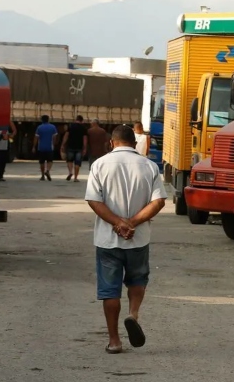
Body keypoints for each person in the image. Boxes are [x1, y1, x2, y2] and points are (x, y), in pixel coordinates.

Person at [85, 125, 167, 354]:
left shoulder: (99, 164)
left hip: (108, 240)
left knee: (110, 291)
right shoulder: (149, 166)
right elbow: (159, 201)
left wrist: (118, 223)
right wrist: (132, 223)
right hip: (138, 239)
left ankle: (114, 341)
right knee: (137, 279)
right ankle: (133, 314)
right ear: (135, 142)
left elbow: (94, 200)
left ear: (112, 142)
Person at [61, 115, 88, 182]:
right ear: (82, 120)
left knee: (69, 160)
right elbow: (84, 139)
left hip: (70, 146)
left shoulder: (71, 126)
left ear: (76, 119)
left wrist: (63, 144)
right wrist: (85, 148)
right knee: (77, 163)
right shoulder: (83, 128)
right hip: (79, 148)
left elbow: (66, 136)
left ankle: (70, 172)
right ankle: (75, 178)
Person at [32, 115, 58, 181]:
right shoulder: (53, 127)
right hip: (50, 147)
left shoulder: (39, 127)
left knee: (42, 162)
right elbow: (54, 137)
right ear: (48, 119)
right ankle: (48, 170)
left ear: (42, 120)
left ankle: (42, 175)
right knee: (50, 161)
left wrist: (34, 146)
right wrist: (54, 144)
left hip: (41, 147)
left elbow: (36, 138)